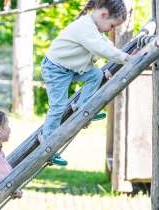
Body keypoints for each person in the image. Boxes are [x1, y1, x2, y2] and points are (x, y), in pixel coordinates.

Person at [40, 0, 136, 166]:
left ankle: (83, 106)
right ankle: (47, 143)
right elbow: (101, 48)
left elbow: (105, 43)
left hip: (70, 69)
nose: (111, 30)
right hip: (55, 69)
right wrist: (125, 58)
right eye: (112, 26)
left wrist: (121, 53)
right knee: (58, 106)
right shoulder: (84, 27)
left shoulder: (93, 27)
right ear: (104, 15)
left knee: (96, 74)